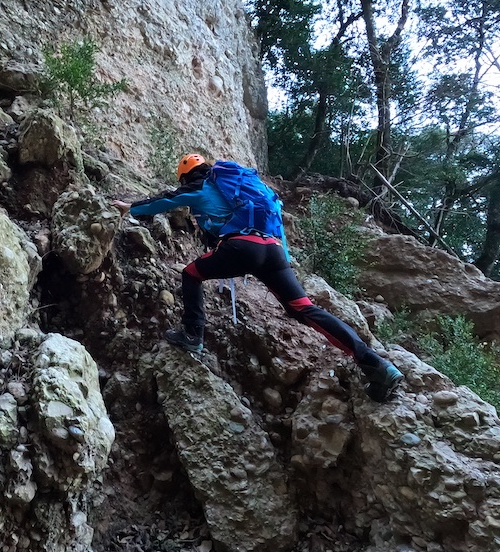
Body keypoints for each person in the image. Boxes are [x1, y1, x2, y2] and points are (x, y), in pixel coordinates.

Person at [112, 153, 404, 402]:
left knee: (191, 274)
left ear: (187, 177)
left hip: (242, 247)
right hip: (273, 251)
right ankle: (376, 365)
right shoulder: (242, 191)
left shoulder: (200, 189)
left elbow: (166, 200)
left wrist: (131, 207)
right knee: (303, 308)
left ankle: (192, 336)